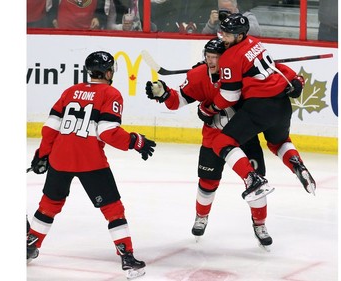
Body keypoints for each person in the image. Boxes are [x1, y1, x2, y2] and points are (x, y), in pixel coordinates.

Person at [26, 51, 156, 279]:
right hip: (90, 161)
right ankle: (127, 258)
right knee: (112, 209)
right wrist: (136, 141)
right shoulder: (111, 93)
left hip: (60, 157)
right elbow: (108, 132)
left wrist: (42, 155)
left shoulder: (69, 91)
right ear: (108, 73)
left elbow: (50, 128)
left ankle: (28, 247)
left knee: (48, 204)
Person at [144, 38, 272, 249]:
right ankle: (201, 216)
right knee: (207, 183)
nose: (211, 62)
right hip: (214, 138)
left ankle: (260, 225)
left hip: (244, 135)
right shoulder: (197, 76)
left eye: (216, 58)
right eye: (208, 57)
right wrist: (164, 93)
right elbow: (178, 100)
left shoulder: (241, 72)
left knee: (256, 184)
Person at [197, 13, 316, 203]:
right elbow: (274, 69)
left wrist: (209, 108)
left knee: (221, 143)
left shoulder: (230, 57)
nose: (223, 38)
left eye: (228, 35)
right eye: (223, 33)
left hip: (260, 107)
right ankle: (297, 165)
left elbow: (230, 96)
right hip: (282, 105)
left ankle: (253, 180)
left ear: (239, 36)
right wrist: (296, 79)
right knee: (278, 143)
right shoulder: (255, 43)